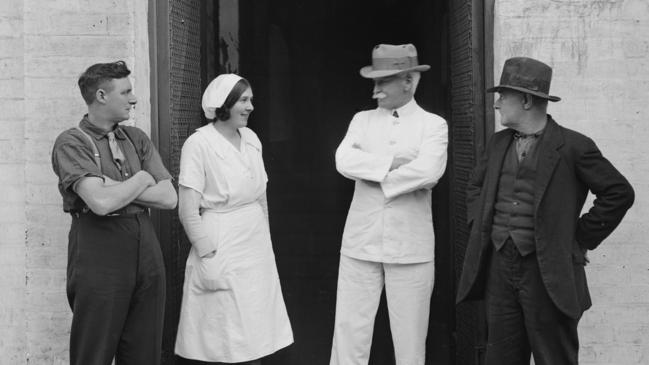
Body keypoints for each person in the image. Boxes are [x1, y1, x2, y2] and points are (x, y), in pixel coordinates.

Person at [456, 57, 635, 364]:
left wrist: (578, 237)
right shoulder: (497, 144)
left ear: (525, 100)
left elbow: (619, 192)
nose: (497, 104)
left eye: (503, 96)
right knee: (500, 356)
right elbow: (474, 187)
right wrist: (481, 227)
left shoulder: (574, 146)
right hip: (499, 265)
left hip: (547, 270)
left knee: (554, 357)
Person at [51, 61, 178, 365]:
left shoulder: (136, 138)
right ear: (101, 96)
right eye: (126, 92)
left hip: (145, 244)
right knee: (94, 352)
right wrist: (141, 179)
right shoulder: (71, 142)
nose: (133, 99)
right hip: (99, 248)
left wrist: (113, 185)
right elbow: (100, 204)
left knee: (144, 351)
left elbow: (169, 198)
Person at [330, 44, 448, 365]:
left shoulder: (433, 125)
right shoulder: (362, 120)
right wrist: (393, 162)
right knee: (349, 334)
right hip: (360, 243)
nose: (375, 89)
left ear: (408, 81)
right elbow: (343, 160)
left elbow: (429, 170)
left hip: (411, 248)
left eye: (383, 81)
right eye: (375, 81)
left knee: (410, 342)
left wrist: (373, 175)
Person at [174, 74, 293, 364]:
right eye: (243, 100)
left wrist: (265, 238)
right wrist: (207, 251)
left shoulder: (251, 139)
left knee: (256, 330)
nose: (251, 106)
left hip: (254, 244)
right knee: (224, 331)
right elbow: (188, 208)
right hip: (221, 240)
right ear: (224, 104)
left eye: (250, 99)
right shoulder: (199, 143)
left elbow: (260, 195)